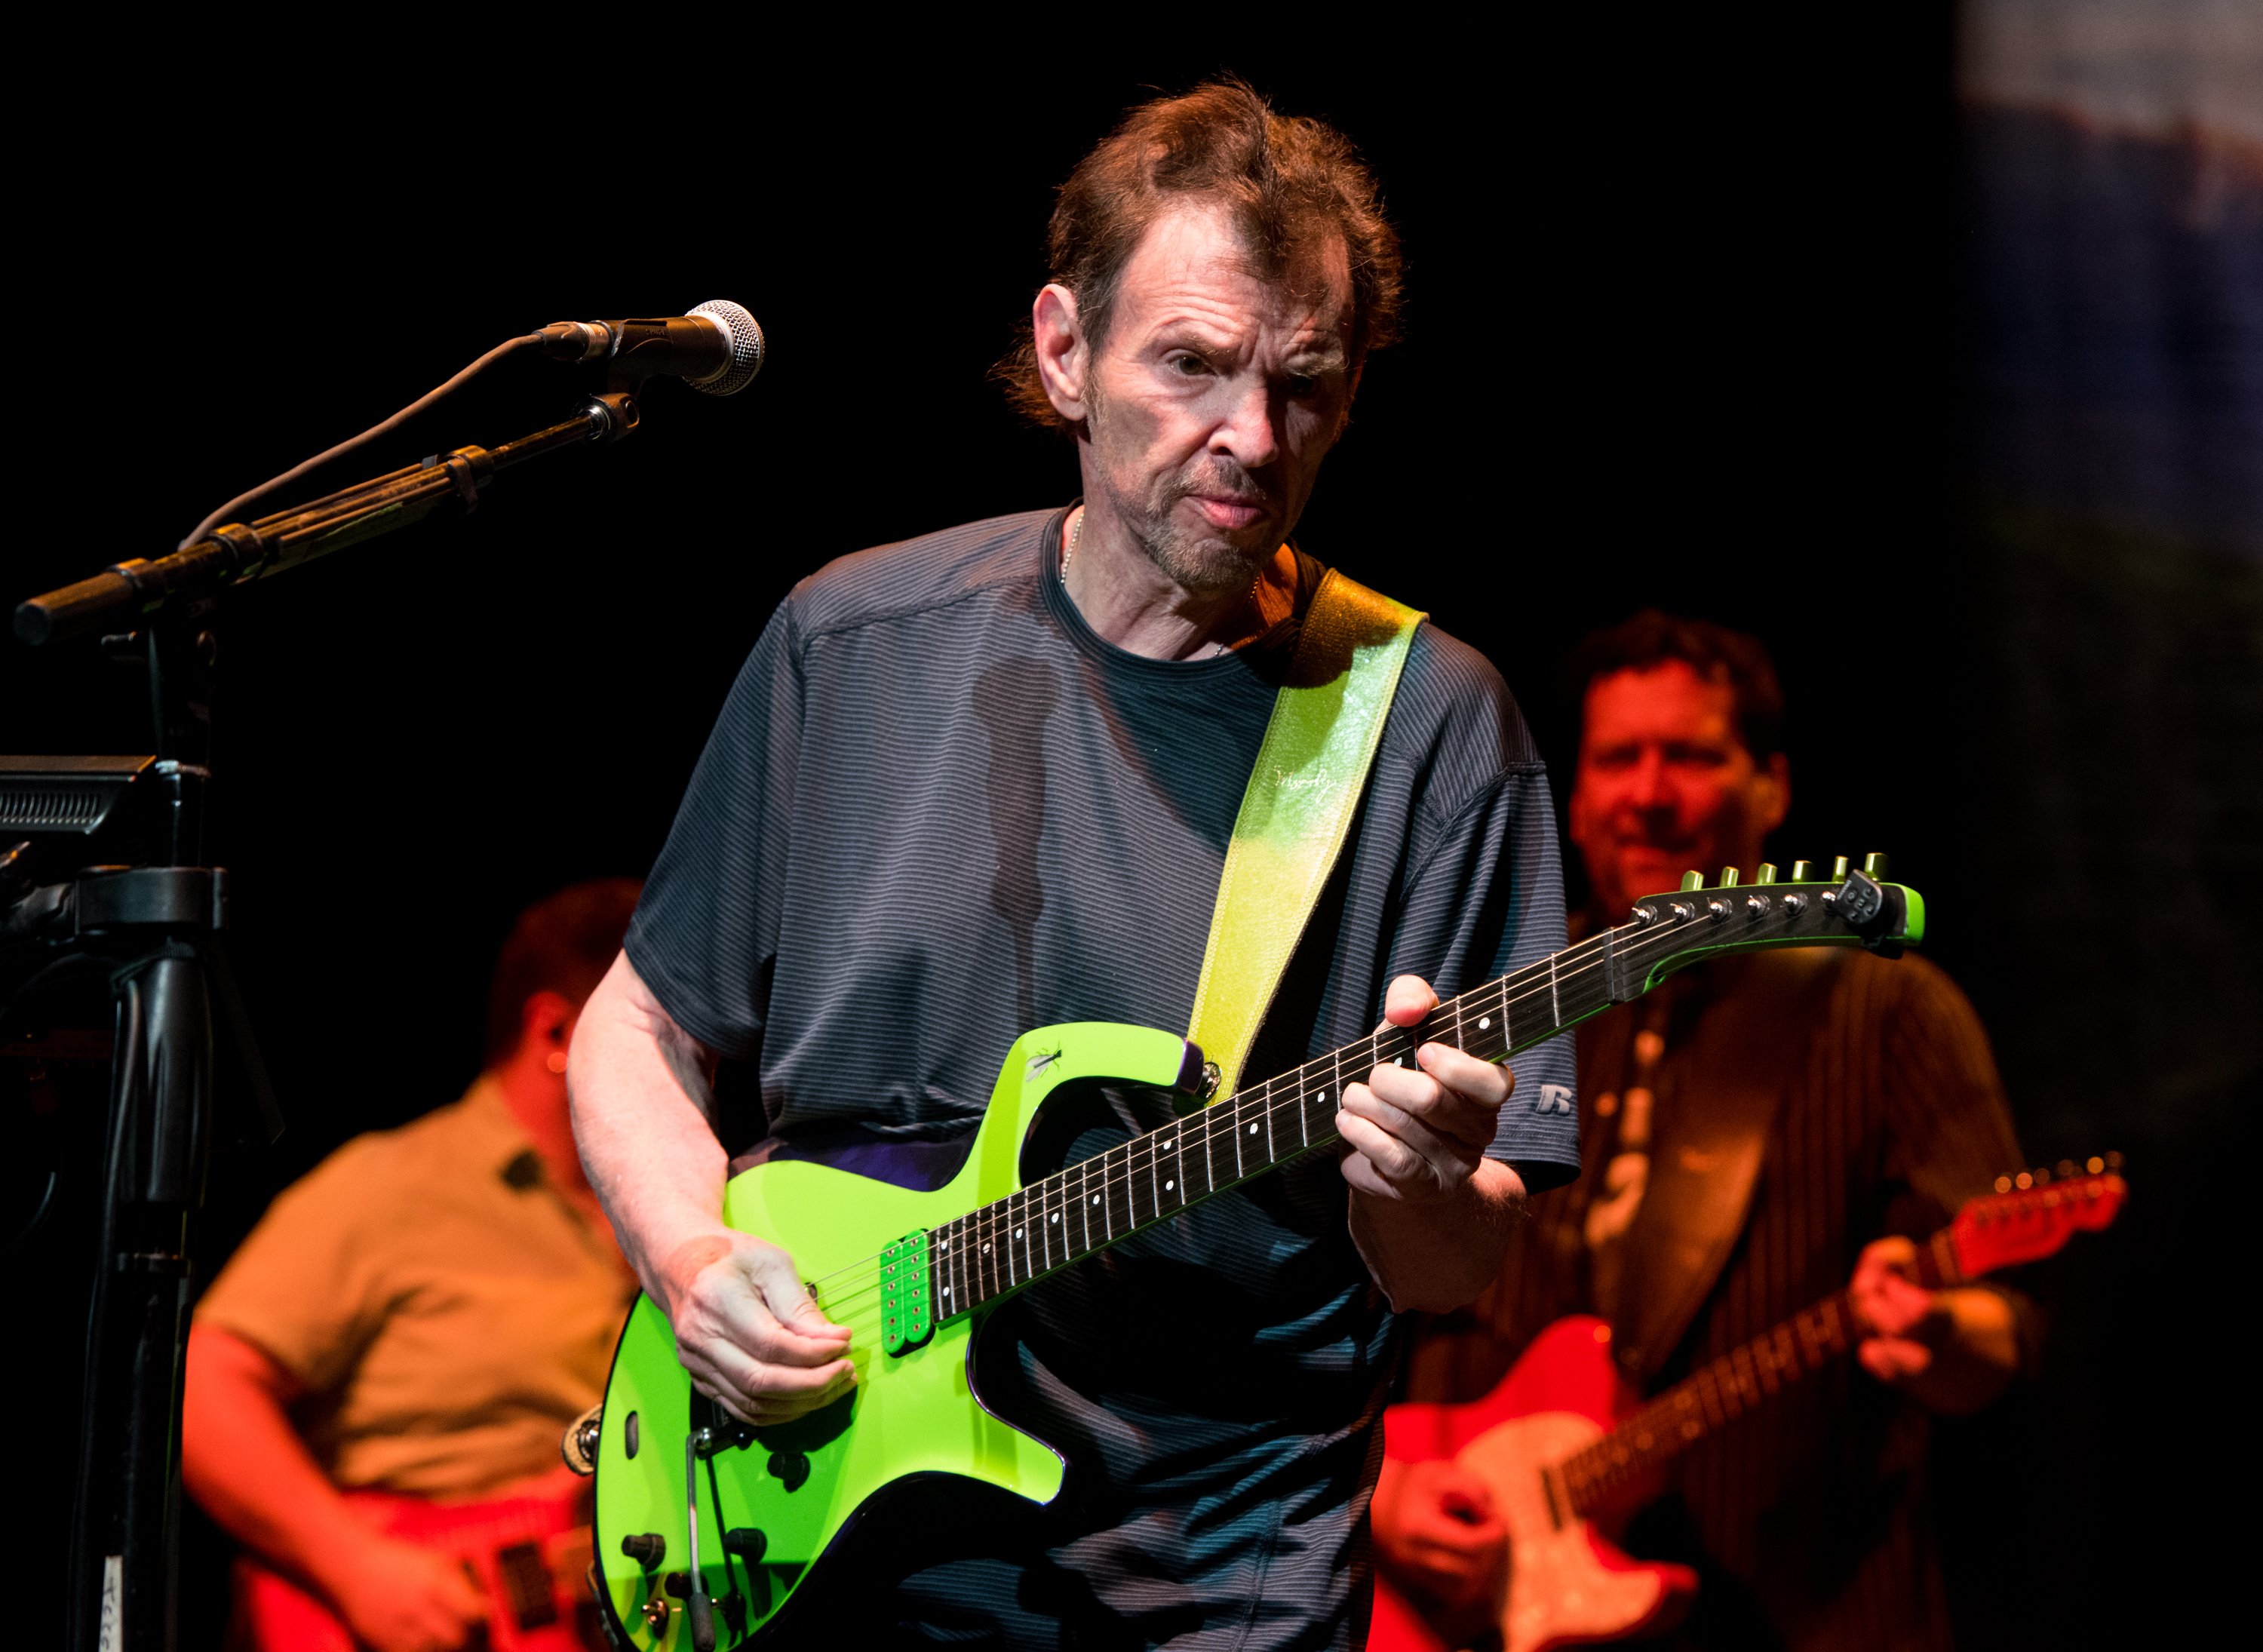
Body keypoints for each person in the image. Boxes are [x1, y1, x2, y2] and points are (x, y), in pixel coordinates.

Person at [569, 81, 1583, 1647]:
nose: (1251, 436)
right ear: (1064, 352)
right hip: (807, 1524)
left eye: (1303, 382)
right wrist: (694, 1258)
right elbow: (636, 1029)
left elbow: (1451, 1268)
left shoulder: (1429, 725)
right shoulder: (849, 638)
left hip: (1199, 1580)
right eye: (1191, 366)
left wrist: (1429, 1184)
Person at [1373, 612, 2030, 1652]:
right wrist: (1385, 1485)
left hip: (1800, 1619)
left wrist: (1941, 1328)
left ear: (1772, 784)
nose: (1648, 792)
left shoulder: (1890, 1008)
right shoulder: (1495, 1006)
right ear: (1573, 798)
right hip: (1478, 1612)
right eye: (1617, 759)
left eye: (1690, 755)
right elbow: (1352, 1305)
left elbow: (2000, 1326)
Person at [184, 881, 643, 1652]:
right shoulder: (398, 1186)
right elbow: (203, 1385)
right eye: (661, 1030)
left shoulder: (686, 1214)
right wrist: (357, 1568)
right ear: (555, 1031)